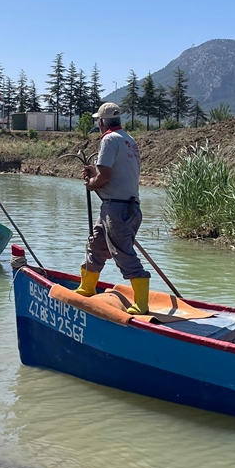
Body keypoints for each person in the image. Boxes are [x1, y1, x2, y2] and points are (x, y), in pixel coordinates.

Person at [75, 102, 151, 315]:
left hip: (117, 209)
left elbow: (104, 176)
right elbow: (115, 172)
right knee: (97, 245)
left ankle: (142, 304)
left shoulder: (108, 139)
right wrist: (95, 174)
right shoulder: (129, 140)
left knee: (123, 254)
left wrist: (92, 183)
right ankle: (87, 287)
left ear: (101, 122)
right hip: (125, 206)